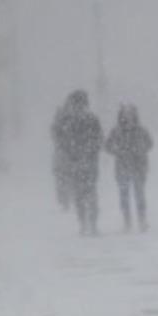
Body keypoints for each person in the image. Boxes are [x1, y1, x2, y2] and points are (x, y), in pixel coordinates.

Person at [53, 89, 103, 235]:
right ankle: (85, 223)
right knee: (82, 194)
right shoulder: (69, 121)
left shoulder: (89, 119)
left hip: (85, 162)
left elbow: (99, 139)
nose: (79, 107)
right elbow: (60, 140)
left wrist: (88, 151)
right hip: (79, 162)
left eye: (80, 103)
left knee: (87, 193)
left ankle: (90, 224)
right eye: (77, 103)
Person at [105, 104, 153, 232]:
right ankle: (127, 222)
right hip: (122, 167)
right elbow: (108, 146)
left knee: (139, 195)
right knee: (124, 195)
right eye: (125, 114)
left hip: (138, 167)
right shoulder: (116, 131)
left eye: (130, 114)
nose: (128, 117)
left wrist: (140, 150)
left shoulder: (141, 130)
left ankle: (142, 220)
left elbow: (149, 143)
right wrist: (118, 151)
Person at [51, 99, 73, 210]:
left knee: (62, 178)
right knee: (66, 177)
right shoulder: (71, 122)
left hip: (62, 154)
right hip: (66, 154)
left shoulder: (58, 123)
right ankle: (65, 198)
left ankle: (64, 199)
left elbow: (53, 136)